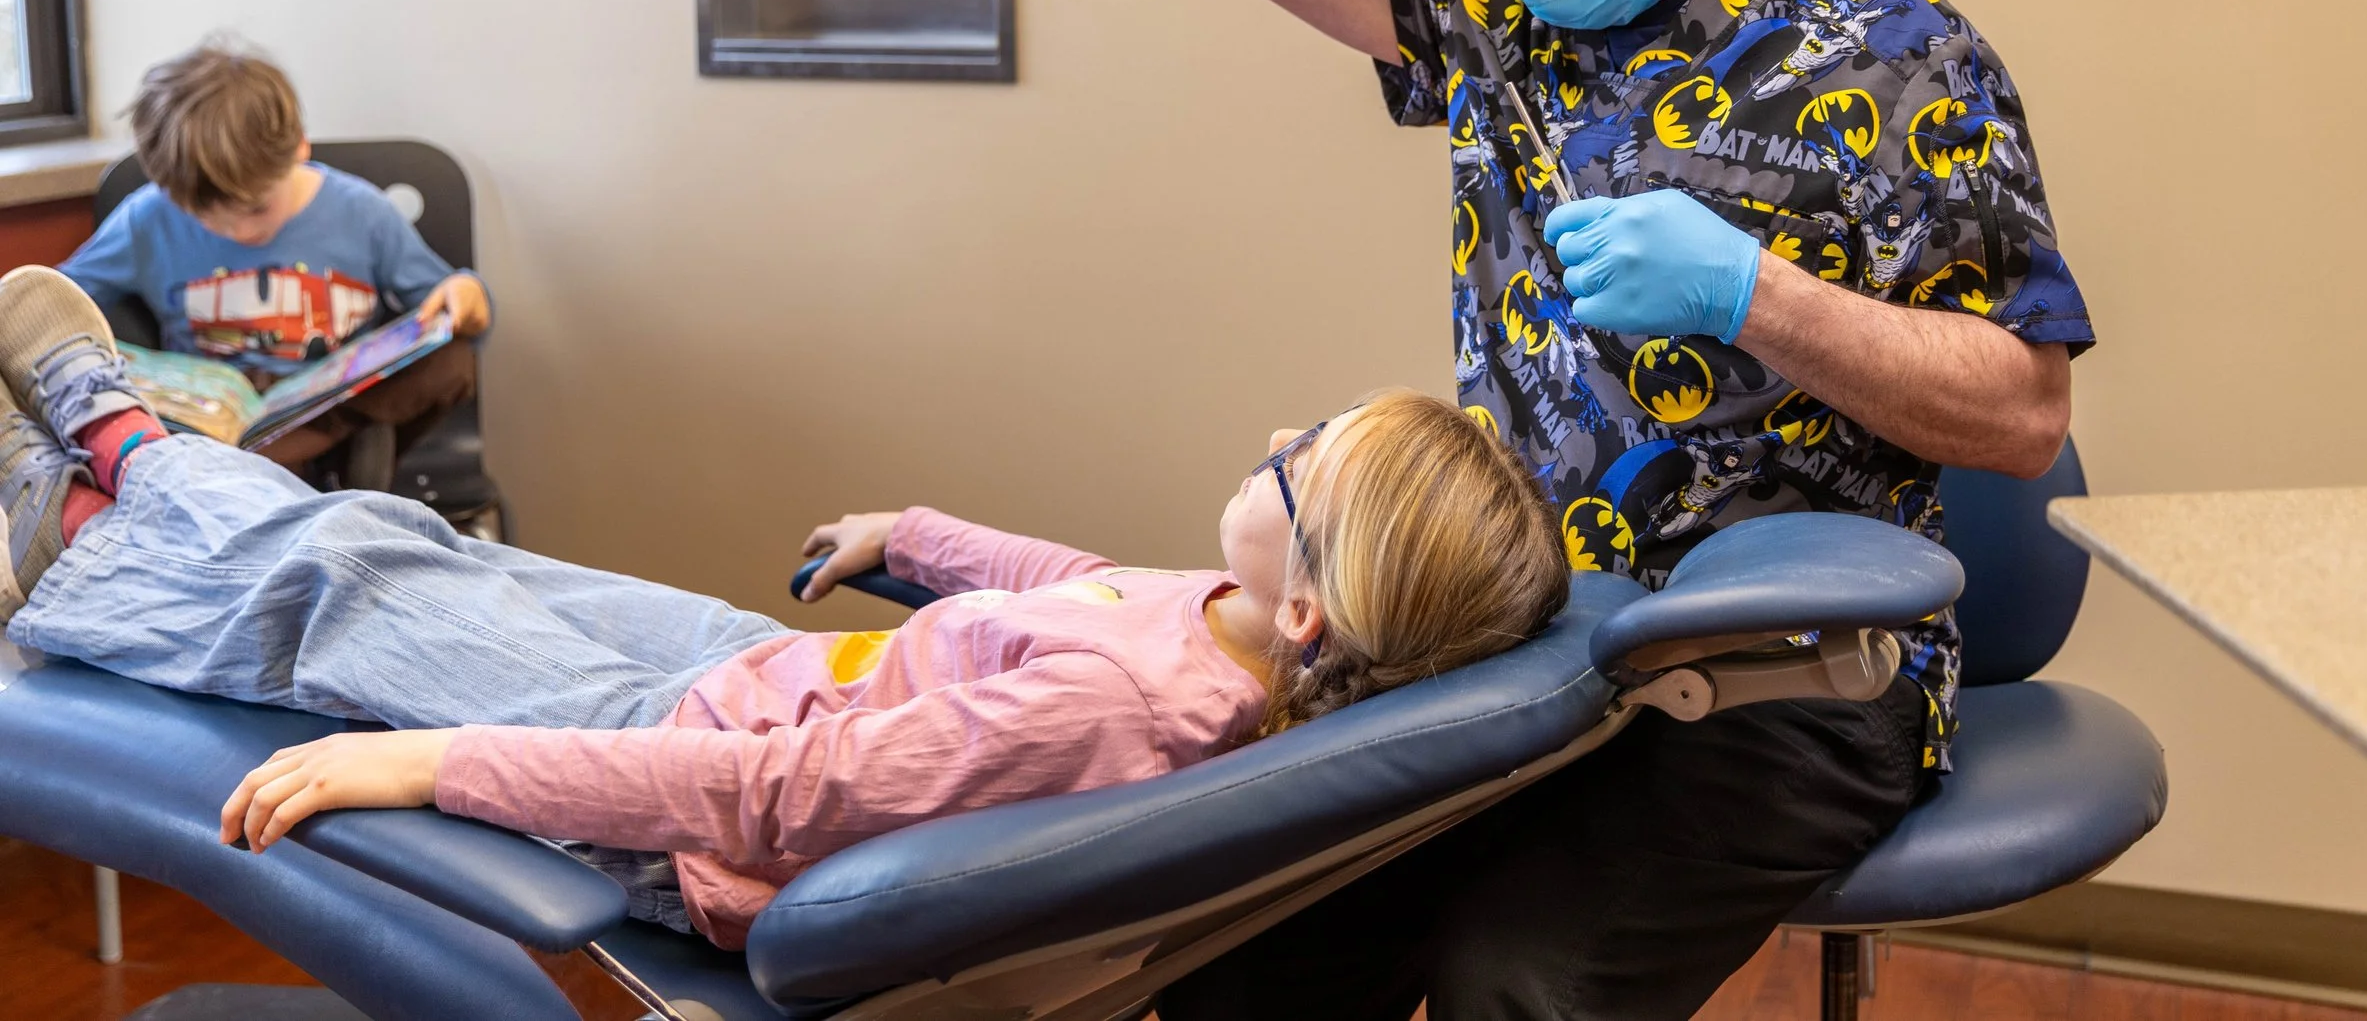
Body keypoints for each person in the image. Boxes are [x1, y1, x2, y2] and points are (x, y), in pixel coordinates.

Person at [855, 0, 2094, 1021]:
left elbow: (2020, 412)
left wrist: (1756, 294)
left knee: (1517, 984)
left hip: (1793, 680)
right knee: (1241, 940)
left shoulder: (1893, 51)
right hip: (1505, 640)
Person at [0, 263, 1570, 951]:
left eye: (1305, 468)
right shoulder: (1228, 619)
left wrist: (428, 760)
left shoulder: (1118, 717)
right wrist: (920, 530)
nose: (1281, 440)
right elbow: (1070, 586)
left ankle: (82, 483)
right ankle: (99, 456)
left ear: (1317, 618)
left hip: (697, 786)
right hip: (764, 669)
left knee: (331, 583)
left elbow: (770, 800)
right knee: (400, 530)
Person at [61, 42, 490, 488]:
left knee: (450, 363)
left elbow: (447, 309)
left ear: (299, 147)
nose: (238, 233)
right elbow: (55, 299)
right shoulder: (148, 217)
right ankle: (277, 466)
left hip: (332, 409)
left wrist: (467, 296)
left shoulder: (362, 211)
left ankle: (286, 460)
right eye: (206, 218)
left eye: (257, 209)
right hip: (210, 420)